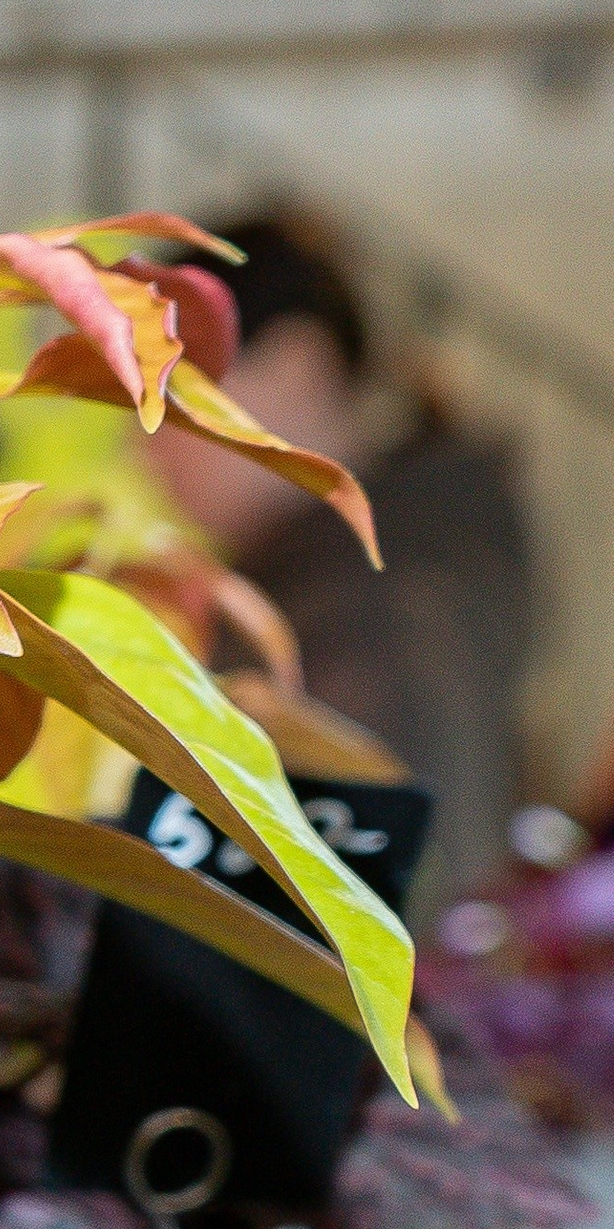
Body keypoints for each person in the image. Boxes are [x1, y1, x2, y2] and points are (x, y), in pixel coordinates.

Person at [148, 210, 534, 914]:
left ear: (296, 365)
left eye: (170, 392)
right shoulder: (398, 550)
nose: (148, 441)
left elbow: (390, 875)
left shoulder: (376, 590)